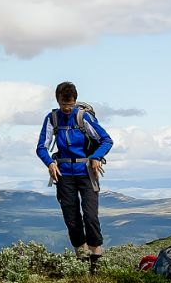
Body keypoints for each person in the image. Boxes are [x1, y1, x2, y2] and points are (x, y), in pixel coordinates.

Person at [36, 81, 114, 267]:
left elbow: (106, 140)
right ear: (57, 100)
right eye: (63, 104)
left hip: (87, 172)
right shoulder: (52, 118)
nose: (66, 108)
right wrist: (50, 163)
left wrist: (96, 157)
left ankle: (96, 258)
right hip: (64, 174)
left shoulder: (83, 117)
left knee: (90, 216)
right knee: (71, 217)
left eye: (70, 104)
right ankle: (81, 256)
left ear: (75, 100)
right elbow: (41, 147)